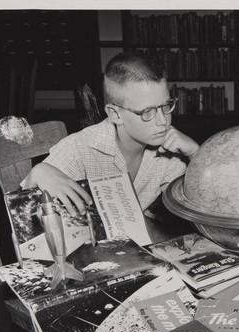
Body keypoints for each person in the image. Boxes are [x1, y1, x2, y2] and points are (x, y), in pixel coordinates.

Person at [22, 51, 199, 216]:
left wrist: (197, 154)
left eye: (166, 106)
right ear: (115, 114)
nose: (163, 121)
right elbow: (25, 215)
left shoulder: (170, 152)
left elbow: (197, 206)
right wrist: (38, 173)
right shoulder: (78, 149)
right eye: (147, 111)